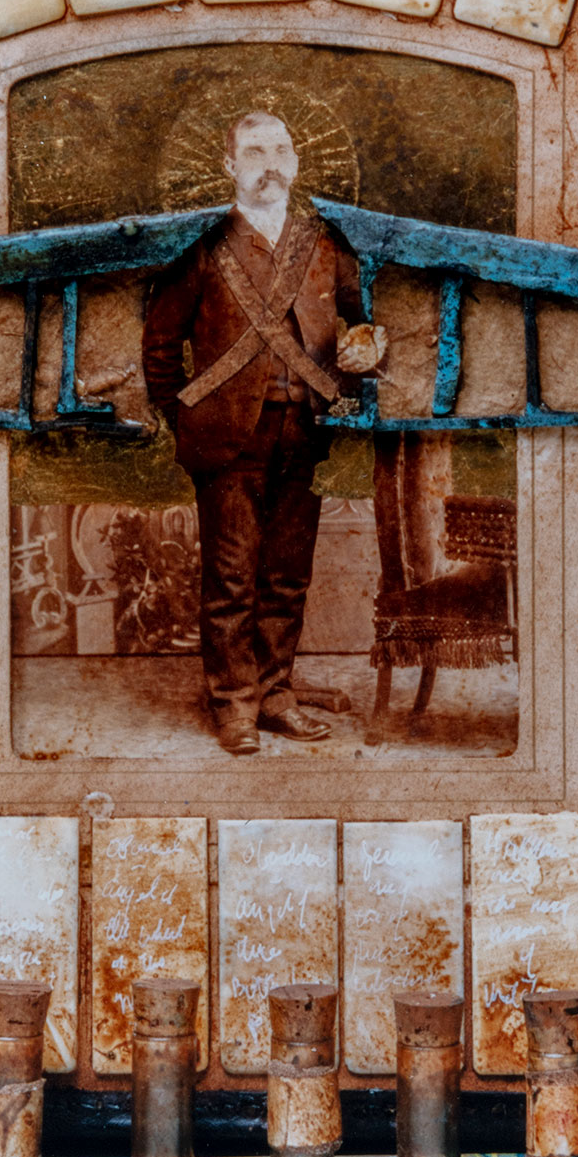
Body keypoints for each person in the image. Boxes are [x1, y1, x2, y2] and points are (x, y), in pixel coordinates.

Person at [143, 110, 373, 754]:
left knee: (287, 577)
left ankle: (276, 696)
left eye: (279, 151)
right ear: (230, 166)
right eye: (253, 152)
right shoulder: (199, 246)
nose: (269, 165)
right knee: (231, 580)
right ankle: (234, 706)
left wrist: (363, 352)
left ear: (295, 163)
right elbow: (160, 348)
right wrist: (187, 419)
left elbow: (361, 320)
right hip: (226, 440)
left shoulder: (326, 244)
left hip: (307, 431)